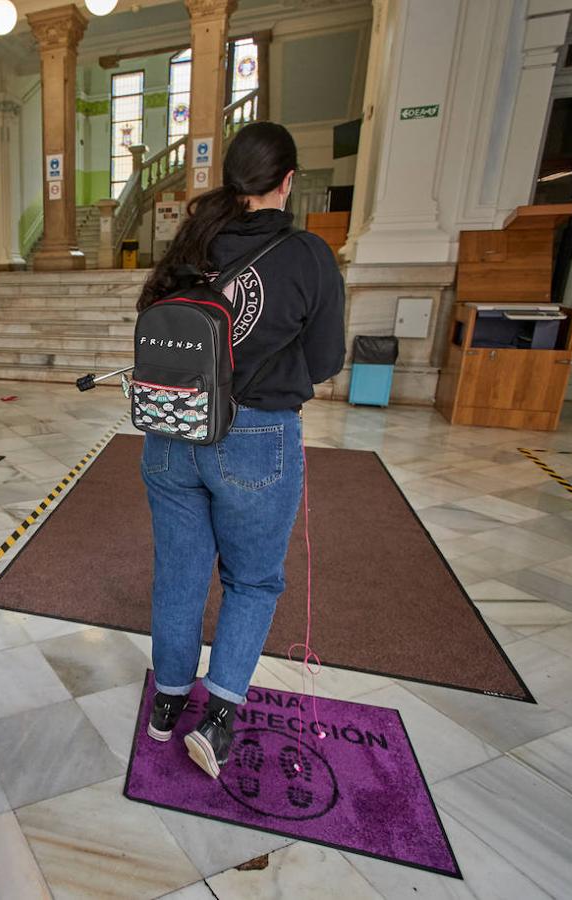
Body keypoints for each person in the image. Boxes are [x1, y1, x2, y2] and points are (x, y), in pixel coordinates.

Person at [136, 122, 345, 779]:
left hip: (173, 430)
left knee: (180, 572)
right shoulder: (308, 255)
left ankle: (167, 704)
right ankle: (220, 718)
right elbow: (325, 361)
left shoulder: (192, 243)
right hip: (254, 437)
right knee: (252, 580)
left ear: (231, 179)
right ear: (288, 182)